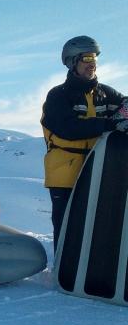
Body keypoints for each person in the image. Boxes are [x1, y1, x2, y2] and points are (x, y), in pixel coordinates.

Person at [41, 35, 124, 251]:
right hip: (65, 172)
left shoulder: (105, 93)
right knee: (68, 223)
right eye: (86, 58)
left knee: (99, 223)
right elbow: (68, 129)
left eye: (94, 57)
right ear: (72, 62)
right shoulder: (58, 95)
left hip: (97, 169)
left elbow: (125, 104)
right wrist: (110, 124)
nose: (92, 63)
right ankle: (63, 270)